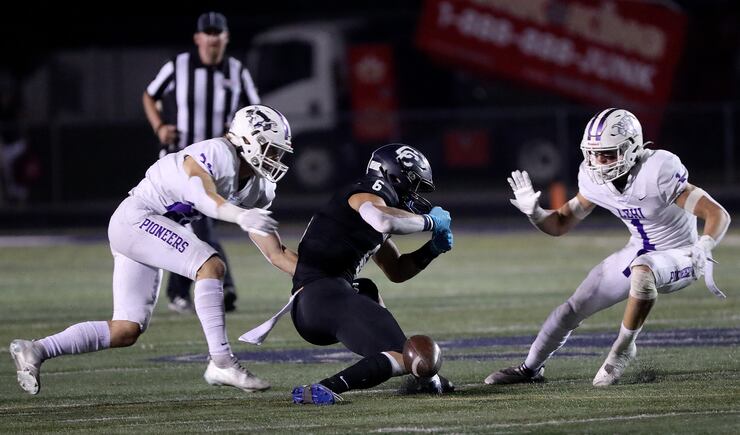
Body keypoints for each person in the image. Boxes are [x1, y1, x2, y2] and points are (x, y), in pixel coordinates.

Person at [9, 104, 297, 395]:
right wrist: (239, 215)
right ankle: (222, 361)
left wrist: (315, 275)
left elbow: (276, 253)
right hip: (137, 218)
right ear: (247, 140)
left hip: (147, 230)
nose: (275, 159)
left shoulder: (258, 187)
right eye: (271, 150)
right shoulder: (217, 153)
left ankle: (35, 350)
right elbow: (202, 195)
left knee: (126, 329)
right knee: (210, 265)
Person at [485, 108, 731, 387]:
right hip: (639, 249)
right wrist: (536, 213)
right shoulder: (592, 179)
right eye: (593, 154)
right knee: (571, 309)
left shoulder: (657, 171)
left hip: (684, 254)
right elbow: (560, 223)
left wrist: (705, 244)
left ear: (632, 148)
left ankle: (623, 348)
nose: (599, 162)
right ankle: (530, 369)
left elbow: (717, 213)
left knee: (643, 270)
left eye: (608, 154)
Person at [285, 143, 454, 405]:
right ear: (394, 177)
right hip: (322, 296)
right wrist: (429, 222)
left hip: (320, 300)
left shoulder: (371, 206)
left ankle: (422, 377)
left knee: (367, 289)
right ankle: (324, 388)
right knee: (403, 354)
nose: (415, 195)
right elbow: (383, 220)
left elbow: (396, 270)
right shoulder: (370, 190)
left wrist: (431, 250)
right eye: (414, 185)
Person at [143, 11, 260, 313]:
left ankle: (181, 291)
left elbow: (255, 111)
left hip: (218, 165)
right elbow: (149, 95)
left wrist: (238, 132)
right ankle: (223, 286)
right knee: (197, 225)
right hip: (182, 163)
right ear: (197, 38)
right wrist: (160, 127)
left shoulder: (237, 70)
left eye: (217, 33)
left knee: (193, 225)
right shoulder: (178, 65)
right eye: (207, 33)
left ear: (226, 37)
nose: (212, 38)